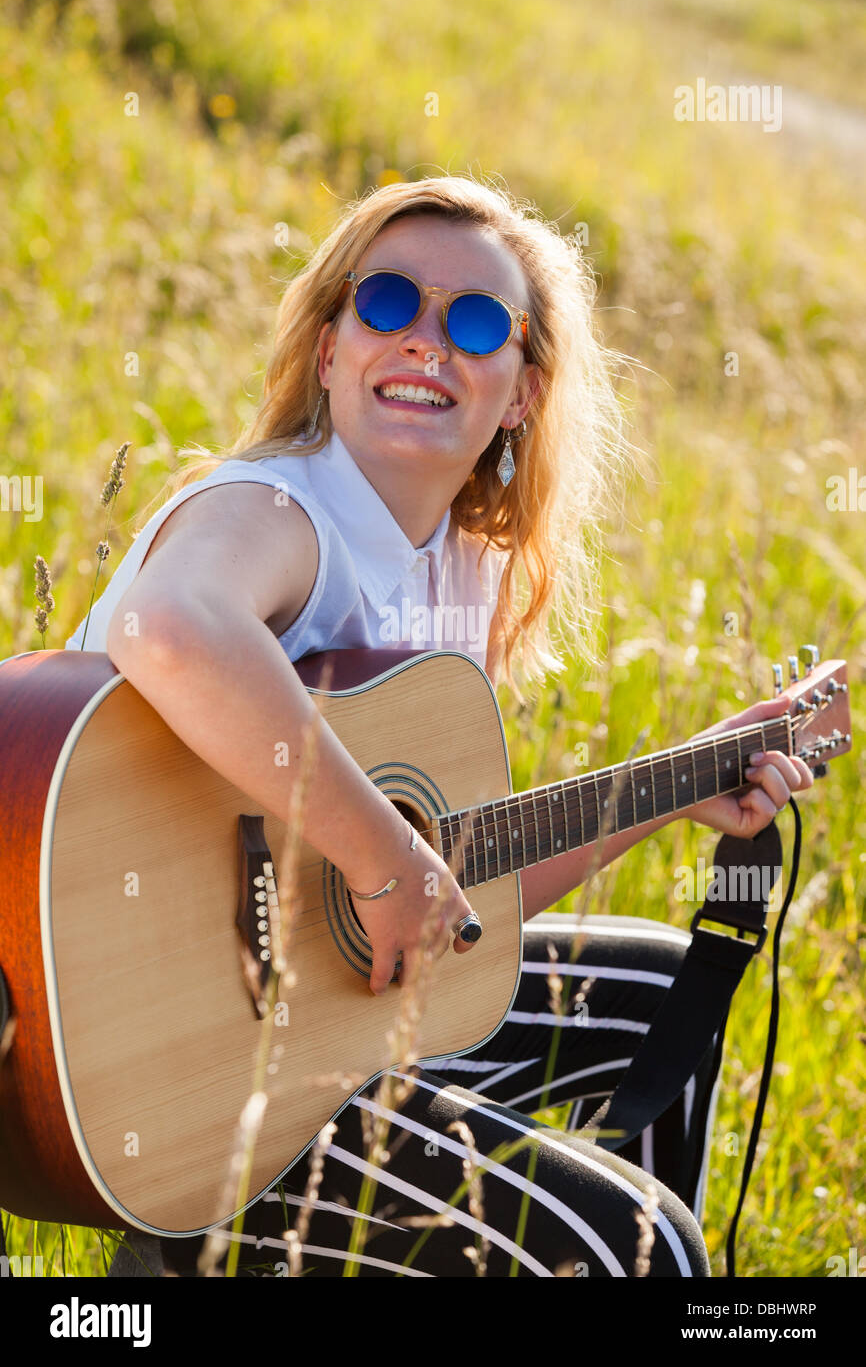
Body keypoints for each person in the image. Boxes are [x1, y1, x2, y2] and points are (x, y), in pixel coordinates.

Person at [67, 173, 812, 1278]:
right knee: (637, 1251)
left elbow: (441, 900)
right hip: (164, 1064)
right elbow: (171, 627)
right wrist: (380, 856)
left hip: (323, 1022)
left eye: (472, 323)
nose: (425, 341)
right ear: (328, 348)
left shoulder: (458, 570)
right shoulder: (277, 510)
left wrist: (664, 788)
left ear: (519, 392)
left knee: (666, 994)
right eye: (385, 304)